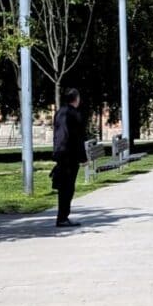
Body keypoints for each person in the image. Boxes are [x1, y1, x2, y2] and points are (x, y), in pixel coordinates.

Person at [50, 87, 87, 227]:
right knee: (68, 187)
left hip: (62, 154)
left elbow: (58, 135)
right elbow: (77, 138)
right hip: (69, 155)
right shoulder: (73, 114)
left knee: (64, 187)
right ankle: (62, 217)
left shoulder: (60, 112)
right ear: (76, 99)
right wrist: (83, 158)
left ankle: (63, 216)